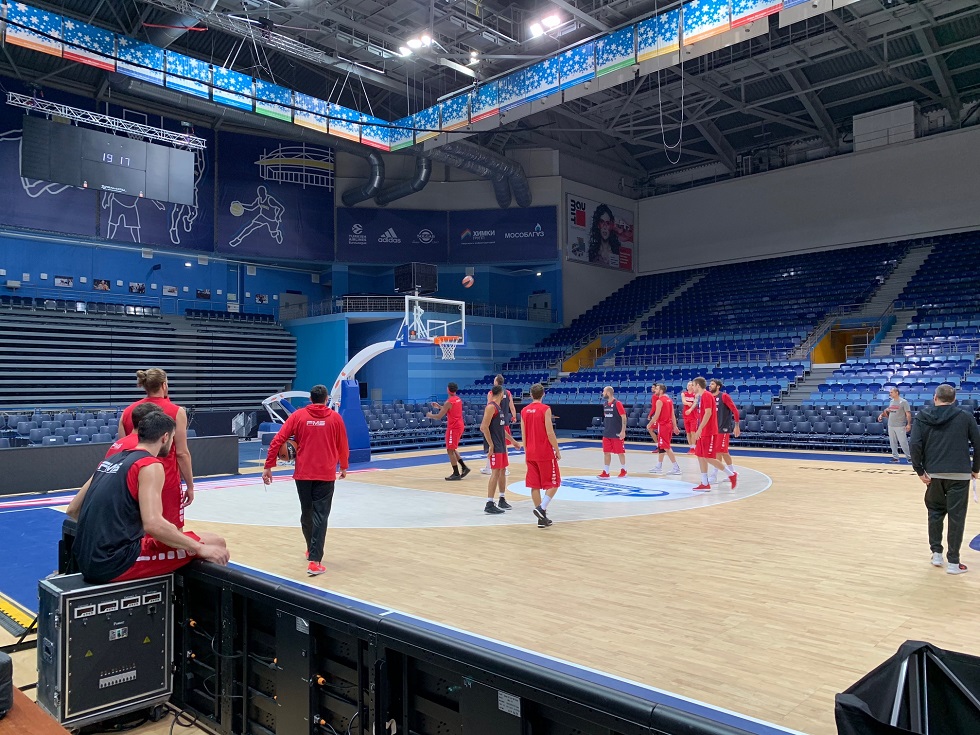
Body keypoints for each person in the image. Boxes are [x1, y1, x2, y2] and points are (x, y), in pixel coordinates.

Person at [68, 412, 229, 584]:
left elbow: (73, 510)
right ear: (165, 437)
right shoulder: (149, 464)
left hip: (85, 556)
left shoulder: (110, 461)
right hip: (114, 562)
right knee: (215, 545)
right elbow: (153, 525)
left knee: (212, 540)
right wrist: (198, 548)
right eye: (172, 438)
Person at [263, 385, 349, 576]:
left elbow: (278, 440)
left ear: (310, 399)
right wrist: (343, 466)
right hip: (325, 474)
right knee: (321, 516)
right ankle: (315, 561)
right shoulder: (336, 418)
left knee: (307, 513)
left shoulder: (298, 416)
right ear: (326, 399)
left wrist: (268, 466)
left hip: (303, 474)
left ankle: (311, 549)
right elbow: (342, 444)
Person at [909, 384, 980, 575]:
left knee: (935, 513)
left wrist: (919, 470)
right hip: (960, 474)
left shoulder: (922, 416)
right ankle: (954, 563)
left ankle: (937, 554)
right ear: (954, 399)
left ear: (935, 398)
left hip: (933, 474)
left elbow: (914, 444)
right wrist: (975, 468)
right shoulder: (965, 416)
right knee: (957, 518)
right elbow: (978, 443)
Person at [118, 368, 195, 525]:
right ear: (164, 385)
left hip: (135, 482)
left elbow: (124, 450)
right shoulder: (176, 411)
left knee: (137, 531)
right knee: (171, 532)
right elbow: (181, 453)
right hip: (166, 483)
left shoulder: (128, 411)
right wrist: (190, 486)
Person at [520, 383, 561, 528]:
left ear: (531, 395)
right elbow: (550, 432)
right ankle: (541, 508)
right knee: (555, 482)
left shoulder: (524, 410)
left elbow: (524, 434)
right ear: (543, 394)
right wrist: (557, 449)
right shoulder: (545, 409)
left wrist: (526, 451)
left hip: (530, 452)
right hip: (544, 451)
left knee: (534, 485)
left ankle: (541, 519)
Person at [480, 384, 523, 514]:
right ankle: (489, 503)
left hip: (502, 445)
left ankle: (502, 498)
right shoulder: (491, 407)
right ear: (500, 394)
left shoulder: (498, 408)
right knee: (495, 473)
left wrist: (513, 441)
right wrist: (491, 445)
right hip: (495, 445)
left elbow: (501, 430)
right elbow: (483, 427)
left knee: (502, 470)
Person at [690, 377, 737, 492]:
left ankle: (731, 475)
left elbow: (708, 413)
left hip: (709, 431)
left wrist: (699, 429)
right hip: (704, 431)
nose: (692, 387)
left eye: (693, 385)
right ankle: (705, 483)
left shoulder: (706, 395)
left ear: (698, 385)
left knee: (709, 457)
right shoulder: (702, 396)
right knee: (700, 455)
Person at [427, 382, 470, 481]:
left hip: (453, 427)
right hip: (459, 425)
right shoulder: (458, 399)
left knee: (450, 450)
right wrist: (439, 407)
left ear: (448, 389)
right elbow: (449, 409)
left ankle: (456, 473)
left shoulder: (449, 402)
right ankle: (464, 467)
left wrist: (430, 415)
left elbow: (439, 416)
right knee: (453, 448)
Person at [482, 375, 517, 475]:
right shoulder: (508, 393)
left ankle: (490, 467)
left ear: (496, 382)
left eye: (494, 380)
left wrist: (485, 422)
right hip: (504, 421)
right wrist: (514, 416)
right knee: (503, 445)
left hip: (495, 422)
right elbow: (512, 407)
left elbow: (489, 407)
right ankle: (502, 468)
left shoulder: (491, 393)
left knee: (493, 445)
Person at [708, 379, 741, 484]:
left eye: (712, 384)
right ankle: (732, 473)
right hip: (713, 428)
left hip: (723, 428)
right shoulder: (709, 397)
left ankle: (714, 475)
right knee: (724, 452)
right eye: (710, 384)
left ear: (718, 386)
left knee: (718, 451)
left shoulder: (724, 396)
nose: (710, 385)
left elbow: (735, 410)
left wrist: (736, 425)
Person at [648, 383, 681, 475]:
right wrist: (675, 426)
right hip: (668, 425)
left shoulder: (660, 401)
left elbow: (656, 415)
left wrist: (649, 424)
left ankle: (676, 467)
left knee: (666, 446)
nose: (655, 390)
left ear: (661, 391)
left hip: (663, 425)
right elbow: (672, 415)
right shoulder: (669, 400)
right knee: (661, 446)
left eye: (657, 389)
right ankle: (659, 466)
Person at [597, 386, 627, 478]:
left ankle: (624, 470)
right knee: (606, 452)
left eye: (604, 391)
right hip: (607, 432)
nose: (602, 393)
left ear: (608, 393)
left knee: (620, 452)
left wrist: (623, 431)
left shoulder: (617, 403)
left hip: (616, 432)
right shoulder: (605, 404)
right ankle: (606, 472)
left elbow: (624, 417)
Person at [879, 387, 912, 463]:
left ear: (896, 393)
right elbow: (888, 410)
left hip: (900, 425)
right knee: (892, 442)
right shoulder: (891, 401)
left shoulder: (904, 402)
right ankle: (895, 457)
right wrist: (881, 415)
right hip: (891, 425)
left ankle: (909, 457)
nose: (890, 394)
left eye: (891, 392)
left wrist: (908, 424)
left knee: (903, 442)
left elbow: (908, 414)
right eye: (890, 392)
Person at [588, 204, 620, 268]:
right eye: (602, 222)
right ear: (598, 225)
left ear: (611, 226)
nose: (605, 227)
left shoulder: (617, 251)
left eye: (608, 223)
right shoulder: (593, 252)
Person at [681, 381, 698, 453]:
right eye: (688, 385)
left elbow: (695, 403)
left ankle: (694, 447)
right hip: (686, 415)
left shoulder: (696, 394)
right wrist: (688, 403)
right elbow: (683, 401)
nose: (689, 386)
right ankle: (691, 447)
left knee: (693, 432)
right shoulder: (683, 394)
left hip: (693, 416)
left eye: (690, 385)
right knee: (688, 432)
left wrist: (690, 408)